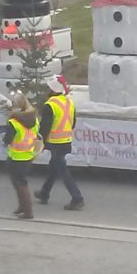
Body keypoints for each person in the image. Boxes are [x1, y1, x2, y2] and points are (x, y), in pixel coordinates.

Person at [34, 82, 84, 211]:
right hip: (66, 140)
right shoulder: (69, 102)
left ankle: (77, 198)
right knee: (54, 167)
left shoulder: (50, 105)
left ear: (51, 90)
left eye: (48, 88)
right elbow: (73, 123)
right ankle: (44, 193)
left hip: (55, 142)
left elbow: (45, 127)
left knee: (61, 169)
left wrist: (40, 141)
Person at [3, 93, 38, 219]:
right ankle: (22, 207)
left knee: (20, 184)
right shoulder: (34, 119)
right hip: (28, 155)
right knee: (19, 183)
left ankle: (28, 211)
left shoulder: (13, 122)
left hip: (16, 157)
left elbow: (7, 139)